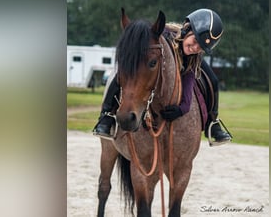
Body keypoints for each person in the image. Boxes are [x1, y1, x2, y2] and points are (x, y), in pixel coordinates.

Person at [93, 8, 232, 143]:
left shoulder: (193, 56)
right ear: (188, 29)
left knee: (213, 80)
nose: (195, 48)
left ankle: (213, 123)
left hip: (184, 69)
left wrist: (182, 108)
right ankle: (106, 115)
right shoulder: (166, 33)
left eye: (201, 48)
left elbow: (189, 80)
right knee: (124, 74)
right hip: (149, 62)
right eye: (195, 41)